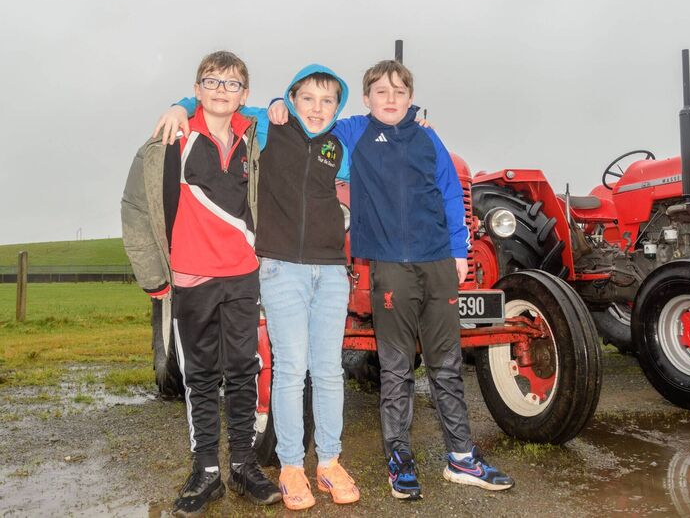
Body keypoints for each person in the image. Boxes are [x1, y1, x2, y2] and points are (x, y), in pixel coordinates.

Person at [268, 60, 515, 500]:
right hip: (388, 266)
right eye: (381, 92)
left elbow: (447, 190)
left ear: (410, 97)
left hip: (437, 261)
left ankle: (461, 457)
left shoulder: (427, 134)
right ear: (366, 98)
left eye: (400, 92)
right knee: (397, 368)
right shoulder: (353, 131)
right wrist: (275, 104)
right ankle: (399, 460)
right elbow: (311, 121)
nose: (391, 99)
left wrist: (459, 251)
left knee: (446, 364)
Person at [153, 64, 360, 511]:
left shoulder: (340, 146)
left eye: (328, 101)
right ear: (291, 97)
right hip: (280, 267)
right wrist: (180, 104)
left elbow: (378, 133)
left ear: (338, 107)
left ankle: (329, 460)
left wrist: (415, 116)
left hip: (330, 270)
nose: (317, 108)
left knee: (327, 371)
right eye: (306, 98)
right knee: (288, 369)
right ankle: (288, 465)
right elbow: (221, 103)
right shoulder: (267, 126)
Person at [121, 51, 281, 516]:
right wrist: (154, 279)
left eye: (232, 84)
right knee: (201, 375)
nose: (220, 90)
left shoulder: (255, 141)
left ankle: (245, 465)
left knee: (244, 368)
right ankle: (206, 470)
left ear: (244, 96)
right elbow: (134, 209)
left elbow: (315, 131)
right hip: (191, 277)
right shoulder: (169, 139)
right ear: (196, 88)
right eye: (211, 81)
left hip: (243, 275)